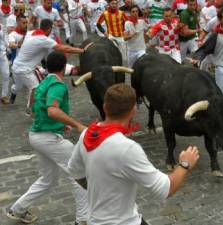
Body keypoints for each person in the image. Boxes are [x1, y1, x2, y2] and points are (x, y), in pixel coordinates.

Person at [68, 83, 200, 225]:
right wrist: (185, 164)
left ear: (105, 107)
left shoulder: (87, 134)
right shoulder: (127, 148)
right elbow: (166, 189)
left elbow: (75, 171)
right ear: (133, 110)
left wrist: (102, 193)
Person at [6, 51, 88, 225]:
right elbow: (52, 109)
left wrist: (58, 124)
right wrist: (77, 125)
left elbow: (36, 108)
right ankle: (83, 220)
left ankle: (17, 209)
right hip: (48, 139)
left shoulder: (42, 83)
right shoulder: (58, 85)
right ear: (64, 66)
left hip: (37, 135)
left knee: (48, 180)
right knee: (81, 175)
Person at [9, 19, 85, 112]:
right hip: (24, 69)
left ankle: (13, 95)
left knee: (17, 87)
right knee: (35, 88)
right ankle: (32, 111)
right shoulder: (42, 39)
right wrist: (81, 50)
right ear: (49, 29)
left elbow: (27, 38)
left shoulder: (31, 33)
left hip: (16, 65)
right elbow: (62, 48)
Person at [0, 22, 10, 104]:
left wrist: (9, 45)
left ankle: (4, 95)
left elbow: (5, 37)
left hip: (2, 54)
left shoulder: (2, 26)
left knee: (6, 74)